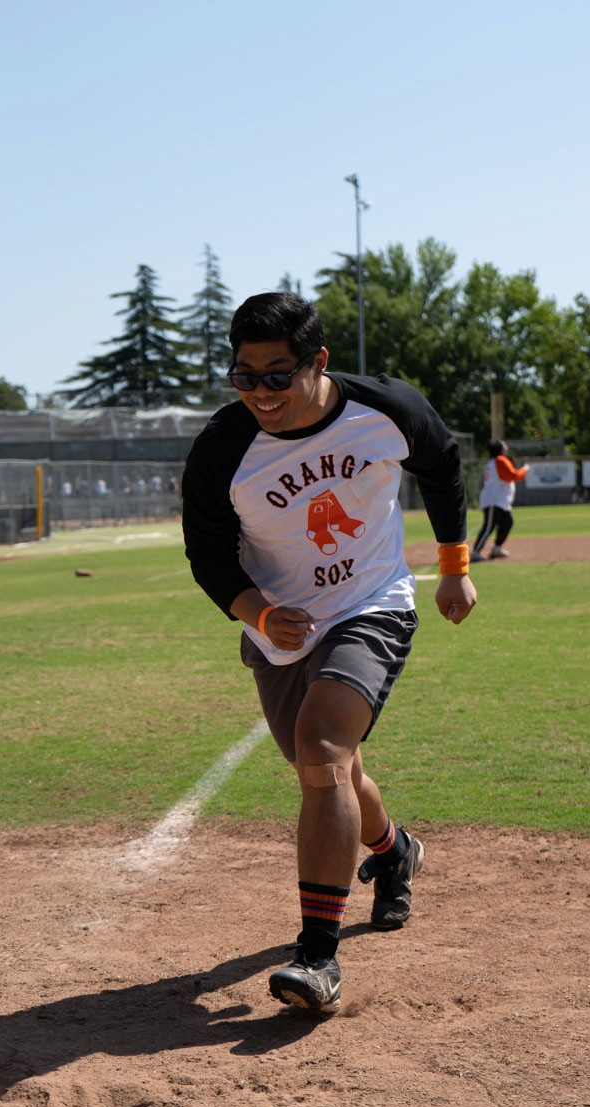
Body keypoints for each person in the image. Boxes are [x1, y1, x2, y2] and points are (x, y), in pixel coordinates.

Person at [182, 292, 476, 1016]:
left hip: (372, 602)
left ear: (317, 362)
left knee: (320, 749)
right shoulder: (223, 449)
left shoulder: (387, 409)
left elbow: (441, 463)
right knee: (330, 771)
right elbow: (209, 557)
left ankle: (317, 957)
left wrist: (454, 566)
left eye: (277, 375)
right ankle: (393, 849)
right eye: (244, 376)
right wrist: (258, 612)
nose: (260, 392)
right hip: (279, 626)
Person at [470, 439, 530, 561]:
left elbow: (506, 476)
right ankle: (476, 552)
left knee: (507, 522)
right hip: (494, 500)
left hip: (498, 501)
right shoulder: (500, 460)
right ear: (501, 450)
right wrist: (525, 469)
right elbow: (513, 476)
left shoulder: (496, 461)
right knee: (489, 526)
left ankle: (497, 548)